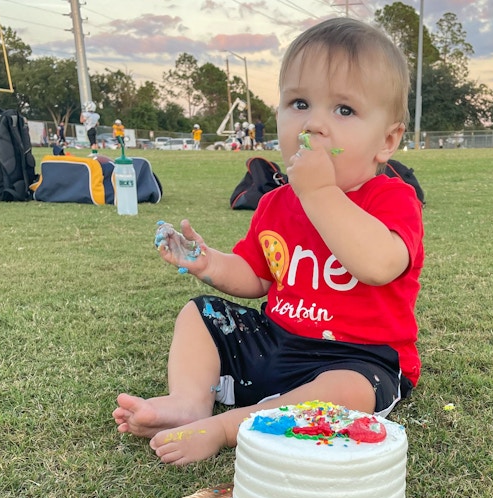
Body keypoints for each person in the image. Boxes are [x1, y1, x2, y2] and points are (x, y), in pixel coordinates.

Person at [112, 17, 424, 466]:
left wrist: (320, 193)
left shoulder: (392, 198)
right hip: (277, 340)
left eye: (343, 110)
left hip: (355, 358)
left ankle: (228, 426)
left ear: (387, 140)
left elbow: (377, 264)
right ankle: (188, 400)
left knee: (348, 393)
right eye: (299, 103)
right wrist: (208, 262)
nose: (314, 124)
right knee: (200, 315)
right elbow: (257, 275)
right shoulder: (276, 203)